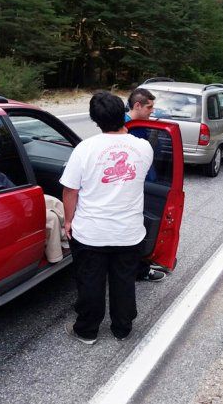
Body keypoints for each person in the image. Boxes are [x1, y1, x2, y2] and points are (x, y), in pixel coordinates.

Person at [60, 91, 154, 345]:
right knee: (124, 281)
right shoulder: (144, 147)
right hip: (129, 231)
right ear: (122, 114)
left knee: (90, 281)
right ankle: (122, 328)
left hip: (91, 232)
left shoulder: (85, 149)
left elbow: (70, 190)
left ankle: (87, 330)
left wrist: (68, 221)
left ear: (95, 120)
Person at [125, 88, 167, 283]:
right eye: (149, 107)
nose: (152, 111)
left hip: (146, 181)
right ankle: (140, 269)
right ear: (137, 105)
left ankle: (146, 260)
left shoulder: (139, 125)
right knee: (138, 226)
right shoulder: (126, 127)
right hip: (135, 186)